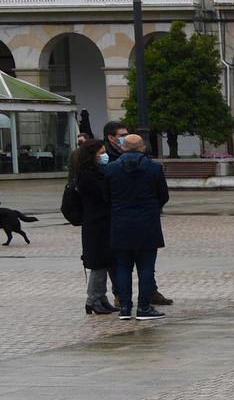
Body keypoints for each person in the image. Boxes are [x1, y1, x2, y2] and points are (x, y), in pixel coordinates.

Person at [104, 134, 169, 321]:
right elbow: (163, 195)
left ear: (123, 148)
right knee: (146, 267)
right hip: (147, 223)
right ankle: (144, 307)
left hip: (121, 223)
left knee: (123, 267)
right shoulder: (154, 168)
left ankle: (125, 308)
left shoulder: (111, 169)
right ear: (142, 148)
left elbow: (106, 196)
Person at [69, 135, 115, 314]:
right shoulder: (88, 175)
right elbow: (103, 195)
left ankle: (101, 297)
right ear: (92, 155)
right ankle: (93, 299)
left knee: (103, 262)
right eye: (101, 153)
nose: (104, 155)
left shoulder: (95, 172)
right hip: (96, 224)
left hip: (101, 222)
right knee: (98, 264)